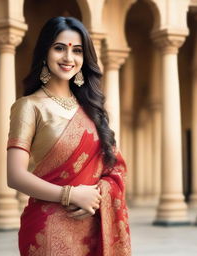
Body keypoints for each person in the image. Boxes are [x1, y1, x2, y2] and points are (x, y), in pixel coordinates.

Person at [7, 16, 131, 256]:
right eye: (59, 48)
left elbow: (115, 169)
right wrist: (71, 195)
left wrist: (96, 196)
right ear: (45, 52)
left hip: (93, 227)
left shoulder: (91, 109)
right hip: (48, 230)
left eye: (77, 51)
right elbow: (15, 176)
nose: (68, 58)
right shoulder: (29, 106)